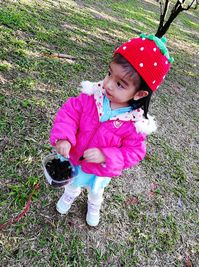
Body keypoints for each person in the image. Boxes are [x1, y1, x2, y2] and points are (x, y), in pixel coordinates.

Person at [50, 33, 174, 227]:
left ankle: (93, 205)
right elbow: (69, 113)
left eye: (119, 84)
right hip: (76, 159)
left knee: (96, 191)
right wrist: (64, 137)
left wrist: (106, 155)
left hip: (99, 170)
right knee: (72, 183)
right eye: (109, 73)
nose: (107, 84)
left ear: (139, 94)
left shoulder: (134, 123)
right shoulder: (92, 96)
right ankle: (69, 196)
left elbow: (134, 152)